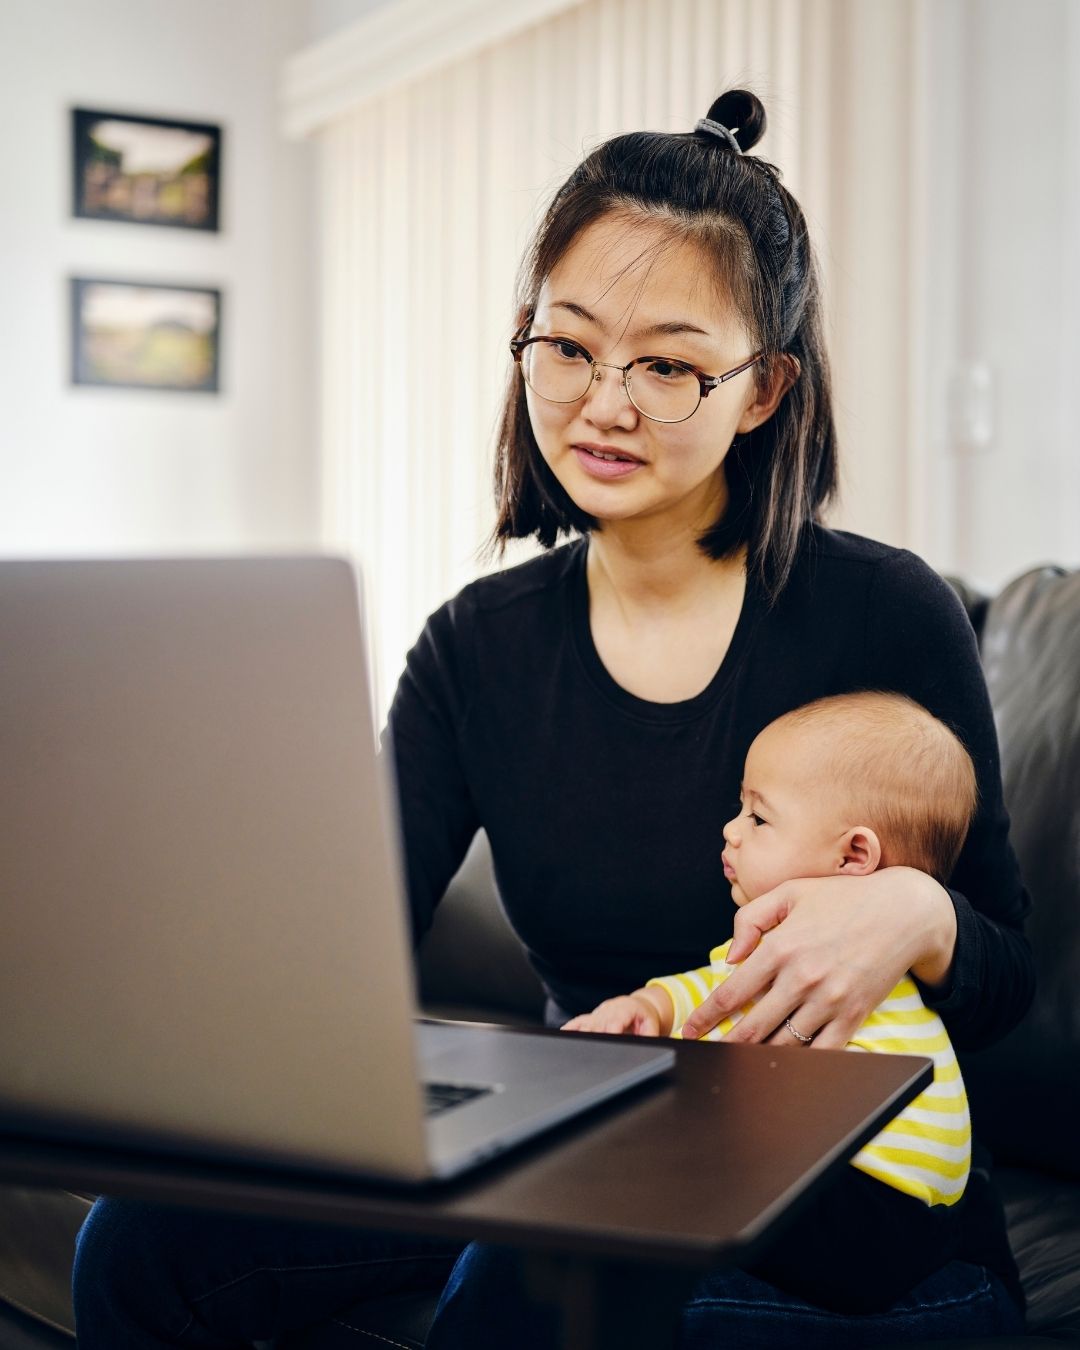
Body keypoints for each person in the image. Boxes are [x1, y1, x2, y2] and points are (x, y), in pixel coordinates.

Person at [74, 89, 1031, 1347]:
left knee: (531, 1289)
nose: (604, 402)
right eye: (568, 346)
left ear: (763, 390)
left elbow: (1010, 975)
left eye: (670, 366)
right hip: (581, 1164)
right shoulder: (479, 648)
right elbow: (345, 952)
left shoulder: (883, 612)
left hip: (858, 1231)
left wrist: (915, 911)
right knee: (141, 1240)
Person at [557, 690, 985, 1313]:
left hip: (871, 1204)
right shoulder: (791, 935)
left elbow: (728, 1001)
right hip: (880, 1203)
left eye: (757, 818)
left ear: (853, 855)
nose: (730, 830)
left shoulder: (852, 959)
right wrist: (649, 1008)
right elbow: (715, 987)